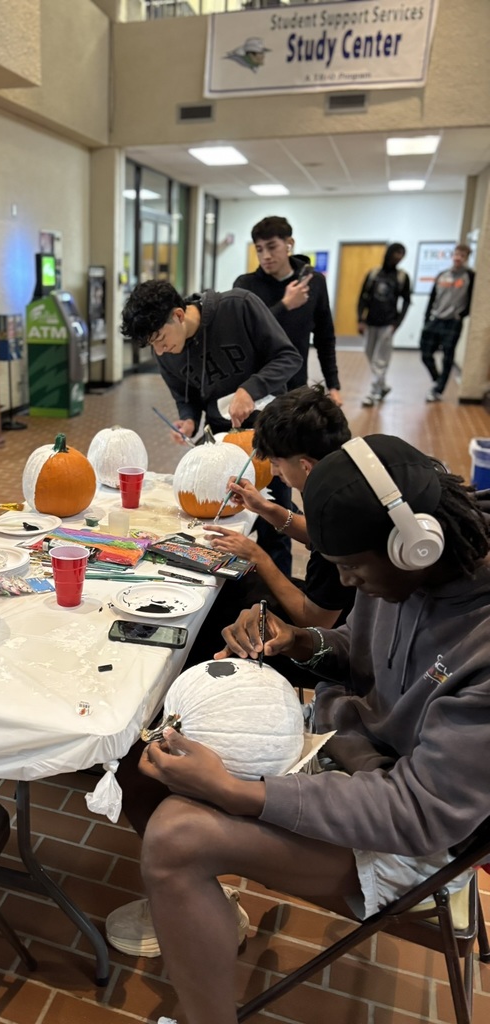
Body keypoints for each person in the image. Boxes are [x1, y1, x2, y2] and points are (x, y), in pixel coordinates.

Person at [126, 435, 490, 1024]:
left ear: (413, 548)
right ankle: (201, 919)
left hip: (414, 837)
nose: (345, 584)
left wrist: (239, 793)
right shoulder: (408, 573)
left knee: (174, 837)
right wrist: (304, 642)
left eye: (351, 568)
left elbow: (422, 812)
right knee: (150, 759)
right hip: (349, 759)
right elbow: (366, 652)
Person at [120, 279, 302, 574]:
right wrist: (188, 419)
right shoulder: (166, 351)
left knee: (274, 523)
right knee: (218, 524)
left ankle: (279, 597)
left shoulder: (239, 306)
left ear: (179, 314)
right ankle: (226, 593)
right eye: (152, 345)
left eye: (160, 338)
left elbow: (288, 357)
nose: (161, 351)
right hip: (221, 442)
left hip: (270, 435)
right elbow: (185, 395)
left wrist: (249, 389)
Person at [184, 385, 356, 666]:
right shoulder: (341, 478)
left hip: (333, 644)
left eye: (276, 463)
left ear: (305, 465)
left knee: (205, 627)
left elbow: (315, 622)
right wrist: (266, 509)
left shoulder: (336, 514)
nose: (274, 472)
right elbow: (318, 536)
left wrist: (257, 556)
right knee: (228, 591)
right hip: (333, 610)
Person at [233, 216, 342, 405]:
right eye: (259, 249)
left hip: (295, 386)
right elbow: (243, 335)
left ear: (289, 244)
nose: (265, 255)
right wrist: (285, 306)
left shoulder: (313, 282)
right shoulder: (245, 285)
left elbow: (325, 338)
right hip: (255, 388)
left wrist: (333, 386)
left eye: (272, 247)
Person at [419, 244, 475, 403]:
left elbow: (472, 299)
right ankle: (437, 379)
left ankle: (438, 390)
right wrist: (427, 318)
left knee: (447, 356)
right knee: (425, 353)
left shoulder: (469, 276)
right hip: (435, 319)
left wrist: (461, 315)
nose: (458, 258)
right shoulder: (442, 275)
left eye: (462, 255)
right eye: (457, 254)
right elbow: (432, 298)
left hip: (453, 322)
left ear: (466, 258)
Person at [358, 243, 411, 407]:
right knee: (369, 354)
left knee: (380, 359)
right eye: (396, 253)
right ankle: (383, 386)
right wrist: (360, 319)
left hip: (388, 323)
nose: (398, 257)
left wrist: (397, 323)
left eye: (402, 254)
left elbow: (407, 301)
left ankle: (373, 393)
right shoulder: (374, 274)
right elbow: (362, 297)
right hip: (371, 322)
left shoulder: (402, 277)